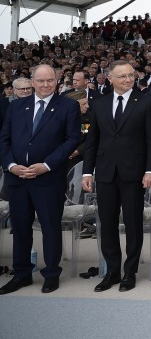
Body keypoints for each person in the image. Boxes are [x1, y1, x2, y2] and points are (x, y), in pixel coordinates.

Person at [0, 65, 81, 295]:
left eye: (50, 80)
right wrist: (12, 166)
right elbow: (3, 139)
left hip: (48, 179)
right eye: (41, 81)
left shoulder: (68, 106)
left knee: (50, 227)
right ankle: (22, 274)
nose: (46, 85)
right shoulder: (16, 106)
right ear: (32, 82)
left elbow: (71, 139)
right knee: (20, 228)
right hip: (18, 178)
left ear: (57, 81)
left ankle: (52, 274)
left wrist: (46, 166)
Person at [81, 61, 151, 293]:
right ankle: (112, 271)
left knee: (133, 223)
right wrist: (88, 171)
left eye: (131, 75)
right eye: (123, 76)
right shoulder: (99, 103)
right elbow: (92, 141)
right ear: (110, 78)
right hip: (105, 172)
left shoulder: (146, 102)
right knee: (107, 223)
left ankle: (130, 272)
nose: (128, 80)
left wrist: (150, 170)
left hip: (134, 173)